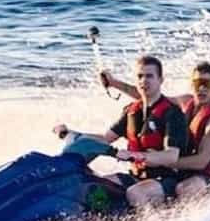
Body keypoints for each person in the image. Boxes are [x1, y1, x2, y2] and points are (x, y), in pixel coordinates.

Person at [53, 55, 188, 207]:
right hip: (136, 176)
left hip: (166, 179)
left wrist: (135, 155)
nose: (144, 80)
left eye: (150, 76)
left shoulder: (172, 113)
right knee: (94, 186)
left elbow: (171, 156)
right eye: (140, 76)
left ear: (160, 80)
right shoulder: (131, 111)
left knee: (135, 193)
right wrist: (70, 133)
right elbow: (105, 138)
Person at [101, 61, 210, 199]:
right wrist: (114, 83)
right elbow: (150, 96)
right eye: (197, 84)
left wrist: (159, 159)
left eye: (208, 84)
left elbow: (201, 162)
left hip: (208, 177)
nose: (202, 89)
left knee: (185, 189)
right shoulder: (186, 101)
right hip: (183, 171)